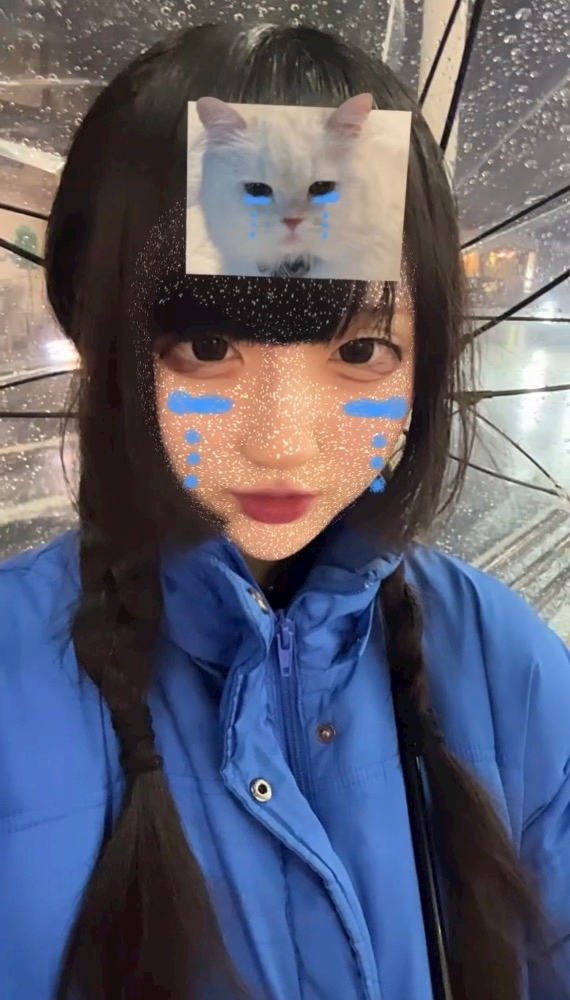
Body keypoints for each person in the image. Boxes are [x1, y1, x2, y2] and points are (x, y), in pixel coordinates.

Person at [0, 20, 568, 1000]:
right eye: (207, 347)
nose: (283, 443)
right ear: (108, 346)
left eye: (360, 352)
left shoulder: (506, 667)